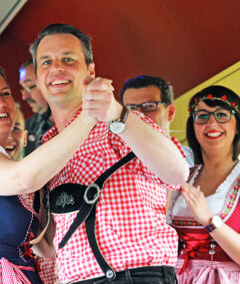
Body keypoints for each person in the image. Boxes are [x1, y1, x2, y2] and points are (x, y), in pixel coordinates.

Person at [30, 23, 189, 283]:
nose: (56, 68)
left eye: (68, 59)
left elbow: (177, 172)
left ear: (90, 71)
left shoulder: (119, 123)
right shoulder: (45, 147)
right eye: (46, 62)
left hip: (137, 277)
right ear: (37, 79)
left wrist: (118, 114)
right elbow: (48, 246)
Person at [0, 62, 105, 283]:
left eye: (5, 93)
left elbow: (46, 247)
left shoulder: (1, 162)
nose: (1, 102)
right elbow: (24, 178)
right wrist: (87, 117)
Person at [167, 85, 240, 283]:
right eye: (202, 116)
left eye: (222, 114)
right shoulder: (182, 177)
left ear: (237, 125)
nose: (212, 123)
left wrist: (209, 220)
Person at [6, 105, 60, 284]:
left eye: (15, 128)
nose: (8, 135)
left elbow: (49, 248)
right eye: (3, 127)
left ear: (24, 137)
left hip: (45, 276)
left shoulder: (38, 184)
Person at [120, 74, 194, 167]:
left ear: (170, 112)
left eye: (149, 106)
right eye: (131, 108)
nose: (139, 115)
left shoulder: (195, 161)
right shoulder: (109, 162)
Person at [19, 59, 54, 155]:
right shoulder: (26, 127)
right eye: (23, 89)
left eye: (30, 87)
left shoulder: (81, 116)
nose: (24, 96)